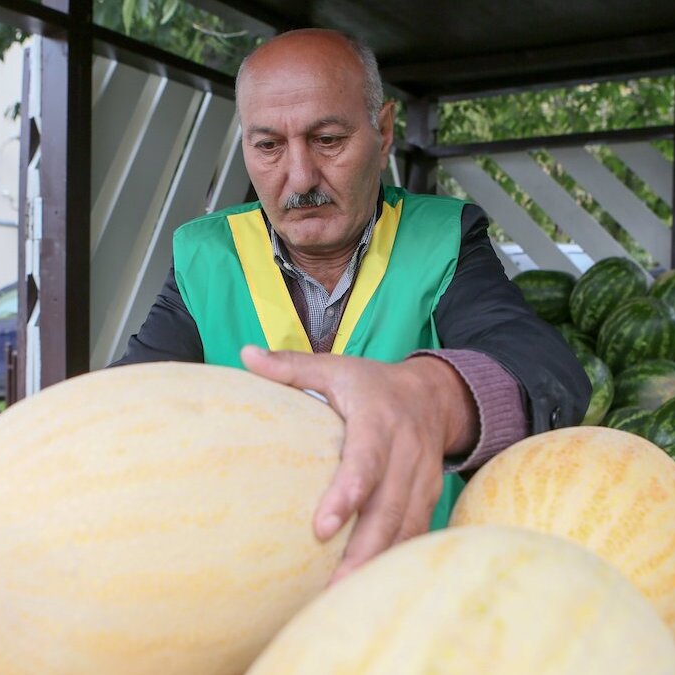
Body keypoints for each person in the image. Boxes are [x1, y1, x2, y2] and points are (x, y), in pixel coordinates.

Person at [112, 28, 589, 582]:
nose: (300, 178)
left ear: (383, 133)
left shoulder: (443, 238)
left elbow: (547, 371)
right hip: (255, 591)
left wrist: (431, 399)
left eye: (328, 139)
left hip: (421, 588)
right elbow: (126, 407)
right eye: (268, 146)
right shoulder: (206, 254)